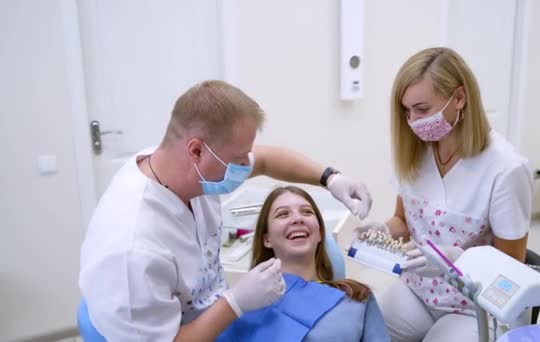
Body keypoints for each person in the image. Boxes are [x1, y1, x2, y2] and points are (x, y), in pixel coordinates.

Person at [79, 80, 373, 341]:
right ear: (196, 151)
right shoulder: (135, 249)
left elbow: (268, 160)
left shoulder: (181, 165)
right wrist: (235, 303)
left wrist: (330, 178)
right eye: (238, 158)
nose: (246, 165)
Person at [354, 47, 533, 341]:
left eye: (422, 109)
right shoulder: (415, 152)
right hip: (418, 290)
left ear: (460, 97)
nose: (413, 121)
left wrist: (459, 259)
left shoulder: (506, 168)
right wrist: (383, 230)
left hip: (473, 304)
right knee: (365, 332)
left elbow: (510, 265)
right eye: (407, 110)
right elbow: (403, 219)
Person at [217, 186, 389, 341]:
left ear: (320, 233)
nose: (297, 219)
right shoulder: (244, 306)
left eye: (306, 212)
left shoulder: (356, 296)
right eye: (283, 214)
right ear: (267, 239)